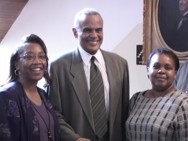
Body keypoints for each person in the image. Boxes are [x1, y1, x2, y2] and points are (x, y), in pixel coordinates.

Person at [48, 8, 129, 141]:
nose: (94, 35)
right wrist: (74, 138)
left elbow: (123, 111)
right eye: (87, 30)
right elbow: (53, 113)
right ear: (75, 32)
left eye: (98, 30)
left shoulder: (120, 64)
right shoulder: (58, 67)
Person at [0, 34, 60, 141]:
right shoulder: (5, 96)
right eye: (29, 56)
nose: (37, 62)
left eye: (42, 56)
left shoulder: (43, 95)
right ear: (16, 64)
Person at [126, 48, 188, 140]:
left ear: (175, 73)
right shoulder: (136, 99)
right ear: (148, 70)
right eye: (156, 66)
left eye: (167, 67)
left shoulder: (183, 104)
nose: (161, 71)